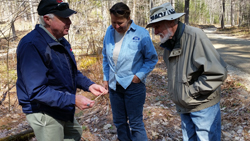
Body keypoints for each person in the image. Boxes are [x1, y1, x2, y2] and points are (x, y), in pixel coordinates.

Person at [16, 0, 108, 140]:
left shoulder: (60, 41)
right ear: (47, 19)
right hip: (43, 110)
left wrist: (89, 85)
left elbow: (71, 73)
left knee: (75, 133)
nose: (69, 22)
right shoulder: (32, 45)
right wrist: (73, 99)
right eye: (64, 18)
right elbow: (37, 91)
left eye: (68, 17)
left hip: (61, 105)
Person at [146, 2, 227, 141]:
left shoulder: (195, 36)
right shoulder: (168, 44)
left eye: (157, 26)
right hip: (184, 107)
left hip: (203, 107)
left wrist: (191, 92)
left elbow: (218, 72)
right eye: (154, 28)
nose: (155, 32)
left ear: (171, 21)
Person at [102, 2, 158, 141]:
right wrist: (106, 77)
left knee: (136, 124)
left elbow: (151, 58)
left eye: (120, 23)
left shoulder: (141, 33)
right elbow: (105, 57)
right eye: (113, 22)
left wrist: (139, 76)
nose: (116, 26)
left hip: (134, 87)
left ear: (128, 18)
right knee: (120, 123)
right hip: (114, 86)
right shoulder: (109, 32)